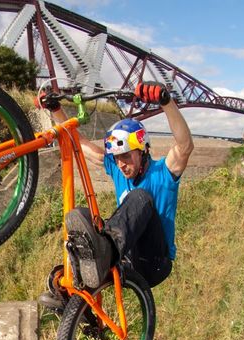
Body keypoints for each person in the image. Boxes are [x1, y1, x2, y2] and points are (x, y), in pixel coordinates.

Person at [37, 81, 194, 311]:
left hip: (155, 263)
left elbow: (185, 146)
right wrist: (56, 110)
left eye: (127, 156)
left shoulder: (163, 173)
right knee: (82, 219)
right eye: (117, 158)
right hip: (126, 257)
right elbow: (78, 142)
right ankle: (75, 300)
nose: (121, 164)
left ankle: (106, 249)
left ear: (143, 150)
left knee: (140, 198)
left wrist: (166, 102)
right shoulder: (118, 168)